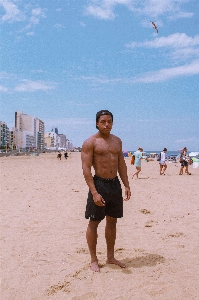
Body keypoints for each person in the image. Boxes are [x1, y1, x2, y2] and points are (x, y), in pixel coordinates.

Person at [81, 110, 131, 272]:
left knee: (112, 221)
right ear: (97, 123)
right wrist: (94, 192)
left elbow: (121, 165)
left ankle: (110, 256)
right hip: (99, 184)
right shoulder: (91, 142)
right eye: (103, 121)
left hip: (114, 185)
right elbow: (86, 169)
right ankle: (94, 259)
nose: (106, 124)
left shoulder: (117, 141)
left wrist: (127, 185)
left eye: (109, 121)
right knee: (94, 222)